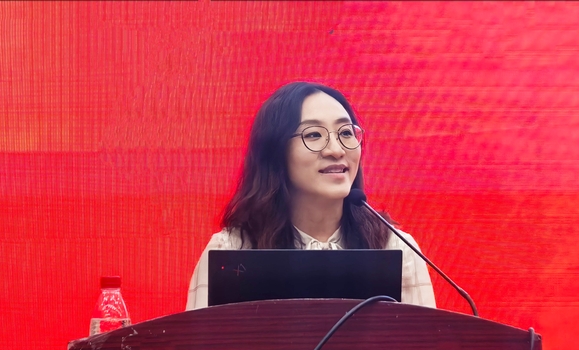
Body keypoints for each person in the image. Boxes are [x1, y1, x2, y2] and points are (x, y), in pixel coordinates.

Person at [186, 81, 436, 310]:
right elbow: (200, 345)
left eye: (346, 133)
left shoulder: (395, 248)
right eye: (313, 135)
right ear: (275, 152)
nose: (336, 150)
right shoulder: (231, 250)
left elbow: (424, 344)